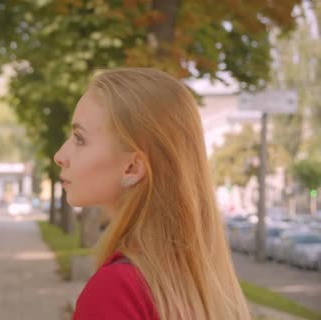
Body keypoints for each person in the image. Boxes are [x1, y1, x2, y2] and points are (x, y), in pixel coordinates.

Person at [54, 68, 251, 320]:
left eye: (80, 139)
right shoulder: (200, 285)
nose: (60, 156)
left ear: (132, 168)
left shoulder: (117, 290)